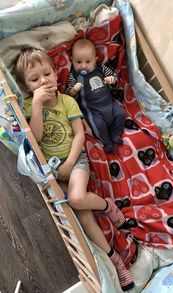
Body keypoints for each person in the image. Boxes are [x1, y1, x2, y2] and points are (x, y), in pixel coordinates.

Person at [14, 46, 135, 292]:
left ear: (55, 74)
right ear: (27, 88)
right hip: (53, 168)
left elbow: (80, 135)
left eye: (46, 73)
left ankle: (107, 206)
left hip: (75, 160)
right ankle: (116, 261)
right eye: (35, 79)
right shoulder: (27, 107)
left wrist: (70, 162)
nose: (43, 81)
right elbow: (35, 137)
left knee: (78, 198)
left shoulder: (67, 101)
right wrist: (36, 106)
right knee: (82, 215)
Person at [66, 38, 126, 153]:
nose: (83, 65)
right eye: (78, 62)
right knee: (97, 125)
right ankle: (107, 142)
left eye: (88, 62)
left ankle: (115, 134)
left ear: (95, 59)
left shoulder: (100, 68)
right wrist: (74, 90)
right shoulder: (74, 75)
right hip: (93, 110)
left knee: (121, 115)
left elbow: (114, 77)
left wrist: (111, 79)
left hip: (110, 104)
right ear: (72, 61)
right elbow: (69, 94)